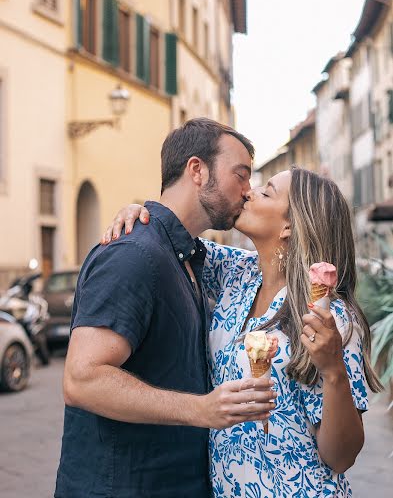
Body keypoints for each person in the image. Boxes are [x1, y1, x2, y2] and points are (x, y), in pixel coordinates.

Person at [104, 166, 382, 497]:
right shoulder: (234, 272)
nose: (249, 192)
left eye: (266, 192)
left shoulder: (330, 316)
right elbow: (170, 235)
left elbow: (341, 457)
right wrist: (142, 215)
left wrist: (334, 369)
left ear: (290, 226)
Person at [54, 118, 278, 498]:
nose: (247, 191)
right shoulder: (134, 254)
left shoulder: (189, 257)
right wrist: (200, 410)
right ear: (197, 169)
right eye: (240, 175)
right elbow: (82, 379)